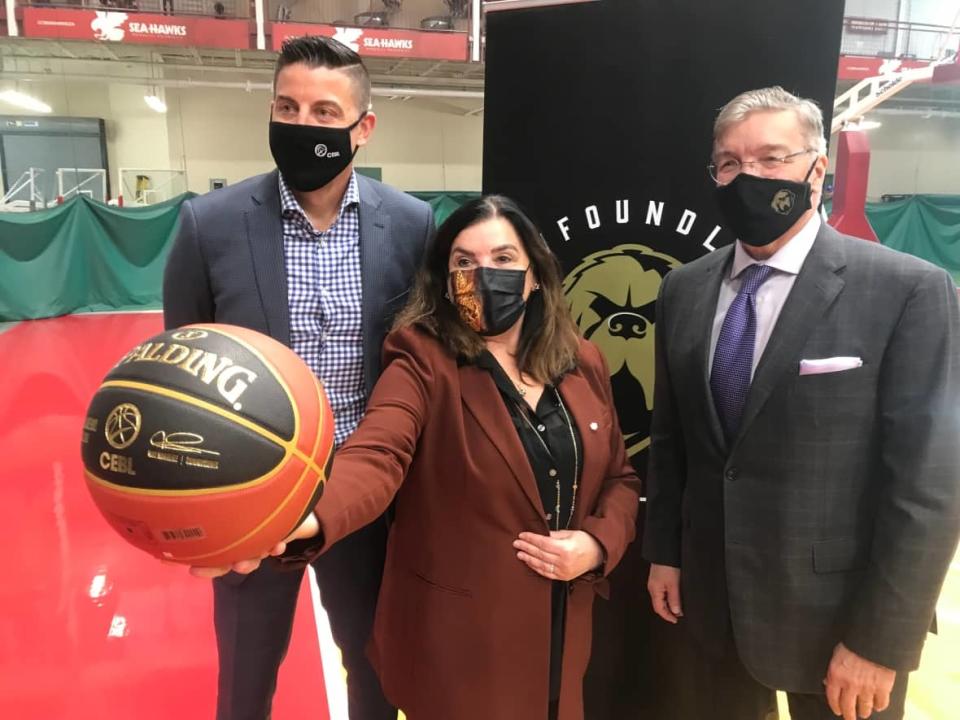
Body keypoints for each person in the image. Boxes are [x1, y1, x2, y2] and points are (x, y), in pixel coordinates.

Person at [197, 195, 642, 720]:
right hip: (461, 647)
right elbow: (378, 453)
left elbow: (619, 477)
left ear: (535, 275)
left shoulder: (581, 360)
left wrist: (596, 544)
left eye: (502, 259)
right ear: (444, 278)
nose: (483, 275)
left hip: (561, 640)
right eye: (464, 261)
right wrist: (297, 517)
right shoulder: (421, 357)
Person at [643, 85, 960, 720]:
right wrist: (665, 553)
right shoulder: (683, 289)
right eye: (730, 163)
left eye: (770, 158)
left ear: (817, 168)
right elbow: (674, 438)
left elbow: (928, 485)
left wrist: (881, 638)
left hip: (839, 618)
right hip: (710, 603)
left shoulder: (907, 291)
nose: (747, 177)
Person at [163, 35, 434, 720]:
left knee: (374, 665)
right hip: (249, 493)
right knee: (246, 676)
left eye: (323, 112)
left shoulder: (410, 225)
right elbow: (183, 366)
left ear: (361, 127)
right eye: (288, 107)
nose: (302, 125)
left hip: (363, 493)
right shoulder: (208, 225)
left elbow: (422, 361)